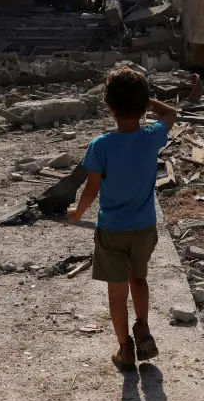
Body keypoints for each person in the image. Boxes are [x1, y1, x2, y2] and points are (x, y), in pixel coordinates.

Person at [68, 66, 180, 372]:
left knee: (117, 293)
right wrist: (150, 103)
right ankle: (142, 326)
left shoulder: (101, 145)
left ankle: (124, 349)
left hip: (112, 231)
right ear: (142, 105)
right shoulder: (151, 137)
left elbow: (91, 188)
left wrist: (77, 213)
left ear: (108, 105)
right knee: (139, 279)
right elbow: (172, 113)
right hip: (144, 229)